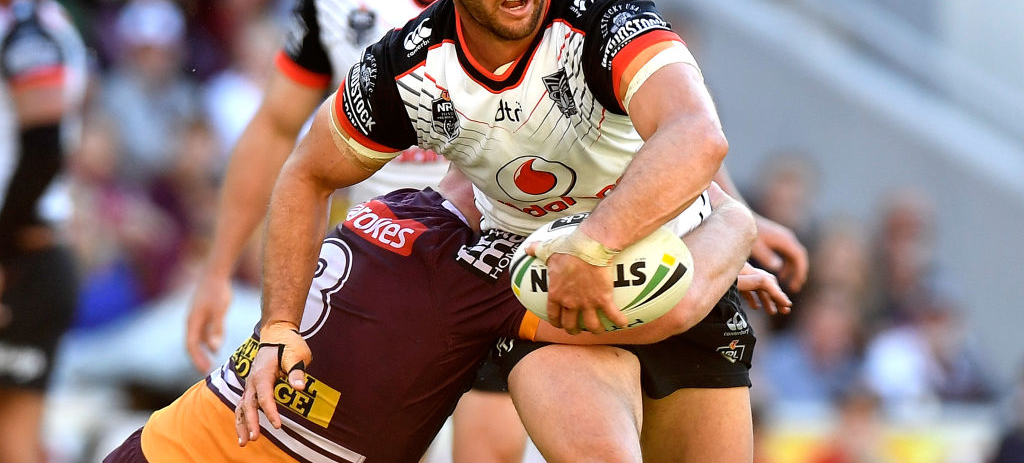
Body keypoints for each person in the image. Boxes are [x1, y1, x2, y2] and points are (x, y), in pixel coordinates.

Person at [241, 0, 780, 463]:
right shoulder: (409, 68)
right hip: (548, 299)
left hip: (673, 269)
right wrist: (278, 328)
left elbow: (697, 135)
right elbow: (307, 173)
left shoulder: (599, 4)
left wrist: (594, 244)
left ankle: (725, 235)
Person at [183, 0, 532, 463]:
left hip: (495, 255)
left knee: (490, 451)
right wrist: (216, 265)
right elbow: (275, 130)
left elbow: (634, 99)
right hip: (372, 268)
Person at [105, 170, 781, 463]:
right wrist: (732, 225)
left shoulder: (397, 204)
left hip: (160, 443)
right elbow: (668, 311)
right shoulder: (480, 282)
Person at [0, 0, 88, 463]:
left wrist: (2, 247)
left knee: (14, 434)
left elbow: (42, 147)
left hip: (23, 254)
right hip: (24, 250)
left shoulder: (29, 30)